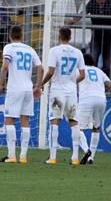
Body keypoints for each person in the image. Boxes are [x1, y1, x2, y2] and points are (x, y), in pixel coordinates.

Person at [36, 27, 87, 165]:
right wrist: (71, 82)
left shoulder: (54, 51)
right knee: (74, 123)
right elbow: (83, 75)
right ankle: (75, 157)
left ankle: (53, 157)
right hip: (71, 93)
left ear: (59, 36)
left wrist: (41, 84)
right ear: (70, 37)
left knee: (55, 121)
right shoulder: (78, 53)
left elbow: (51, 71)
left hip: (57, 91)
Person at [0, 25, 43, 163]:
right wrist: (38, 86)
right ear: (22, 36)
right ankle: (23, 156)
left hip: (15, 88)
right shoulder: (30, 49)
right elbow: (40, 68)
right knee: (25, 121)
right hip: (28, 89)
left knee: (9, 119)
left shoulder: (9, 48)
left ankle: (11, 155)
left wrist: (0, 84)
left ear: (10, 36)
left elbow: (5, 66)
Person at [69, 0, 111, 76]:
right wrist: (73, 20)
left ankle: (105, 84)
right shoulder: (92, 3)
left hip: (110, 37)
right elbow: (83, 13)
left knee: (107, 62)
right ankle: (92, 81)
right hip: (96, 36)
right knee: (93, 58)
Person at [77, 53, 111, 165]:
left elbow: (72, 81)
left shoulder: (81, 70)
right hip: (101, 100)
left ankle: (87, 151)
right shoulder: (100, 72)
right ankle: (92, 158)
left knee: (77, 128)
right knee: (96, 128)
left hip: (87, 99)